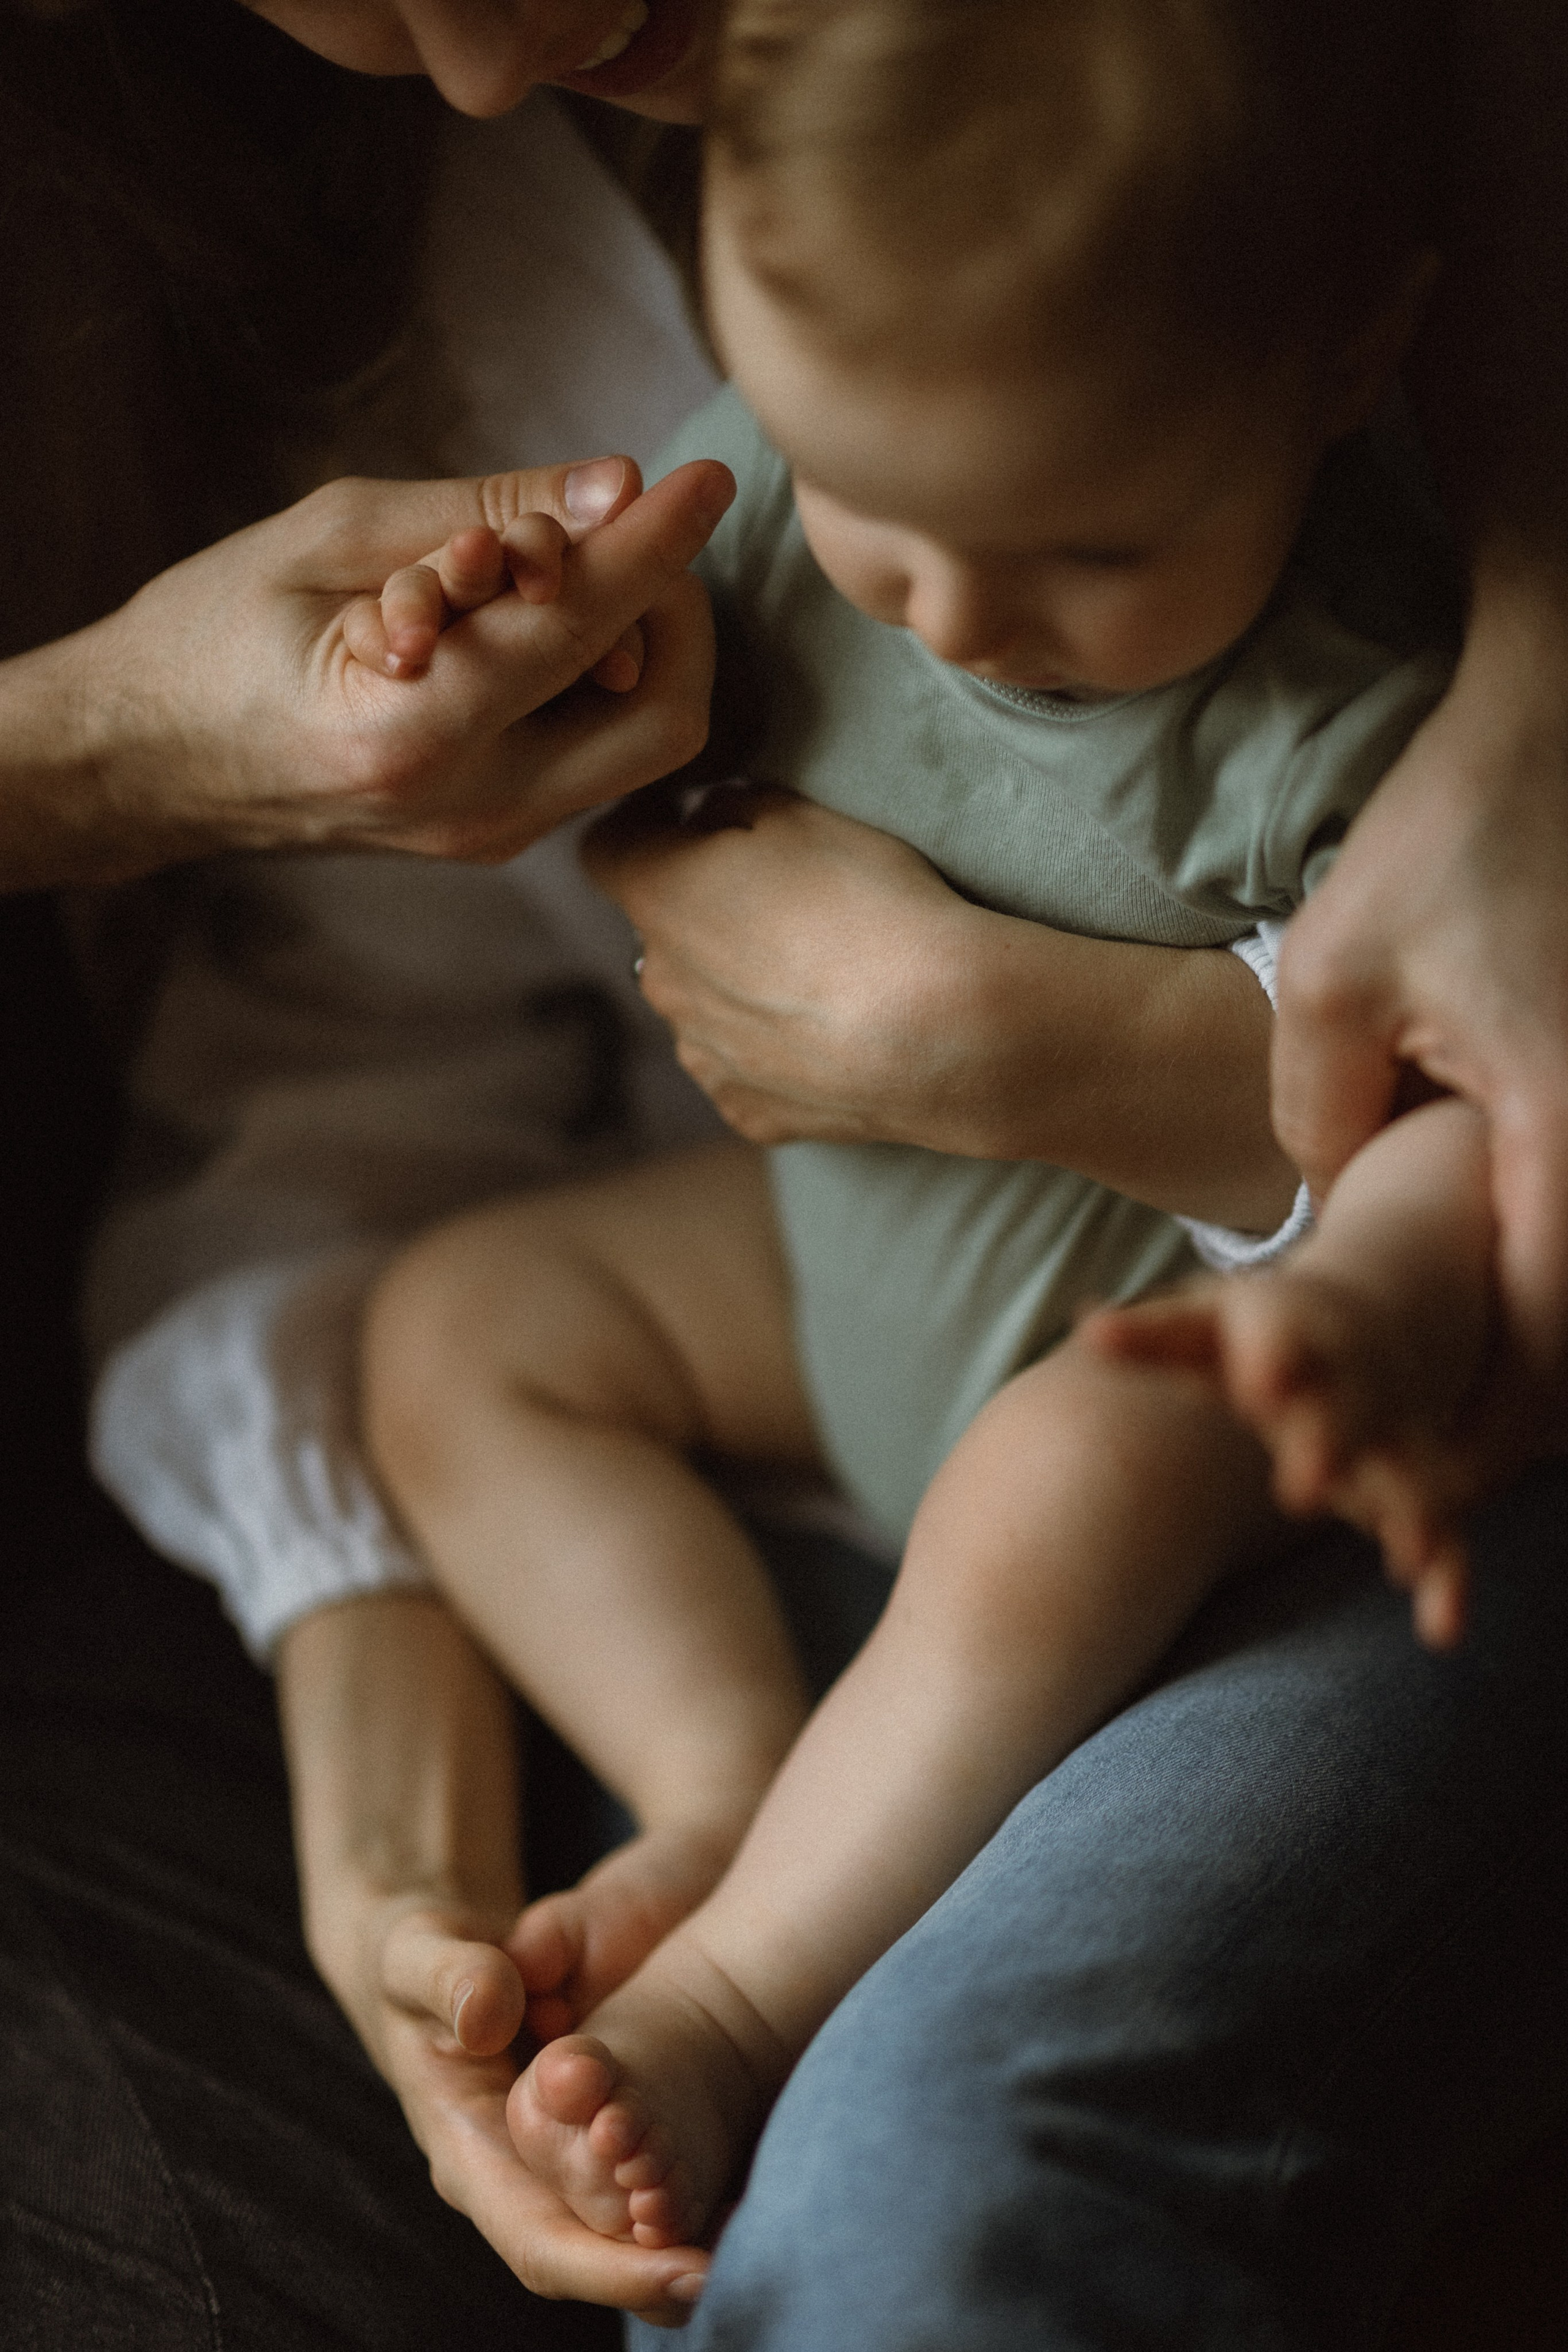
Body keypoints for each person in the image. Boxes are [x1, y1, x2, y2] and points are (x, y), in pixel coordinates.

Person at [2, 0, 1565, 2340]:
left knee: (1079, 1466)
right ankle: (722, 1770)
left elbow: (1468, 1087)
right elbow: (376, 1038)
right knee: (460, 1329)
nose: (951, 615)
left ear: (1348, 364)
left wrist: (1346, 1312)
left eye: (1084, 552)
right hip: (827, 1272)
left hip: (1126, 1321)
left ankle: (742, 1981)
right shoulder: (767, 445)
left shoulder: (1342, 684)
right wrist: (474, 645)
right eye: (869, 517)